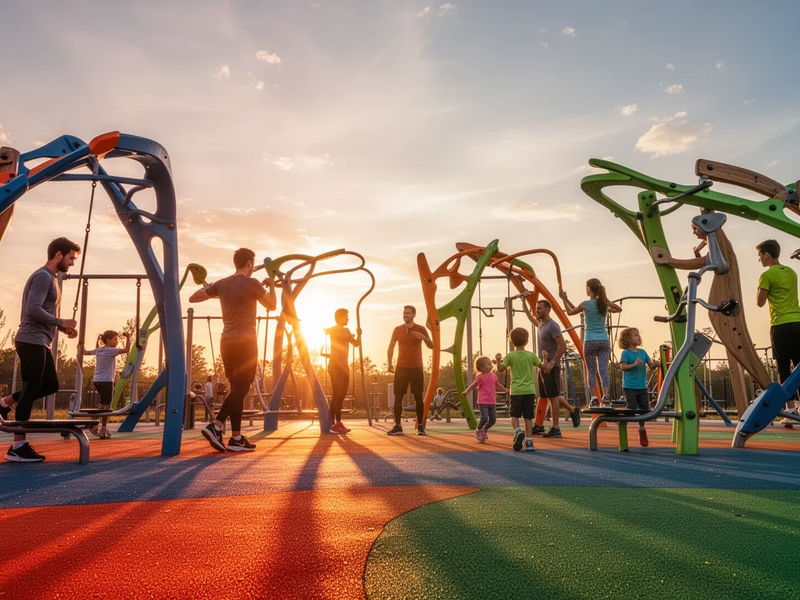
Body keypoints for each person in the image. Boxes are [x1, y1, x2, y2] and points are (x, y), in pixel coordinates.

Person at [0, 237, 80, 462]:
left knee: (50, 384)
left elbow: (44, 314)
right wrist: (61, 322)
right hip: (31, 340)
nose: (72, 263)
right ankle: (18, 446)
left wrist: (63, 329)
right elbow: (32, 309)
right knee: (30, 388)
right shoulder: (42, 277)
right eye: (71, 258)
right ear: (58, 255)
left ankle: (4, 403)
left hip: (40, 341)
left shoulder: (51, 279)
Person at [189, 248, 276, 452]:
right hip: (245, 342)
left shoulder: (222, 283)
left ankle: (236, 438)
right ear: (249, 264)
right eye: (252, 265)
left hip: (226, 342)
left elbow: (194, 297)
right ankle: (216, 426)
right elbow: (272, 305)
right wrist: (271, 285)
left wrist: (213, 288)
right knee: (242, 388)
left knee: (235, 389)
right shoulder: (252, 283)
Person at [756, 239, 800, 425]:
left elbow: (759, 302)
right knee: (798, 367)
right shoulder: (791, 272)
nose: (759, 260)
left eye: (759, 256)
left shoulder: (767, 275)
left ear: (767, 255)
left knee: (783, 367)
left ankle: (789, 410)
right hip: (797, 322)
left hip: (780, 324)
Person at [560, 278, 621, 407]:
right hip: (603, 340)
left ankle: (594, 399)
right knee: (603, 370)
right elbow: (618, 309)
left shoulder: (586, 304)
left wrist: (564, 299)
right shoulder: (603, 304)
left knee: (591, 371)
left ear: (589, 289)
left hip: (590, 340)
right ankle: (606, 397)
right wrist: (608, 303)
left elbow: (571, 311)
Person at [529, 300, 580, 438]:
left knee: (553, 397)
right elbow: (530, 317)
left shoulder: (553, 326)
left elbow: (562, 346)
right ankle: (571, 410)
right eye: (535, 308)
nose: (536, 310)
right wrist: (523, 304)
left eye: (539, 308)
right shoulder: (541, 324)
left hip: (551, 366)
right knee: (547, 395)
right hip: (543, 365)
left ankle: (556, 428)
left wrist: (552, 363)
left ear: (547, 309)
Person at [386, 305, 433, 436]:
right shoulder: (398, 330)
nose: (405, 315)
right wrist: (389, 363)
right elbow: (391, 347)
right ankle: (397, 426)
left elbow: (432, 346)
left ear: (413, 315)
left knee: (418, 397)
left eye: (408, 313)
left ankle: (420, 426)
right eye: (404, 313)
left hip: (416, 368)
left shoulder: (421, 329)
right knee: (398, 397)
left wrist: (424, 338)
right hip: (401, 368)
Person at [495, 327, 542, 452]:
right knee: (528, 417)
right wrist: (546, 358)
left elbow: (500, 369)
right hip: (529, 390)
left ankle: (517, 431)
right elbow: (544, 367)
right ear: (526, 341)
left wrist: (498, 360)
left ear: (511, 341)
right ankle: (529, 441)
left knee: (514, 415)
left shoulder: (511, 356)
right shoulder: (531, 355)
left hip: (516, 390)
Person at [83, 329, 131, 439]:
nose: (117, 342)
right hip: (106, 381)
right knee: (104, 405)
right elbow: (127, 349)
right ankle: (93, 422)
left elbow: (85, 352)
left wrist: (81, 344)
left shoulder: (99, 350)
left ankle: (103, 428)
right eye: (115, 339)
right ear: (108, 340)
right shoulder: (111, 350)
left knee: (106, 405)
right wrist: (128, 337)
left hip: (97, 380)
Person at [618, 327, 660, 447]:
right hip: (630, 386)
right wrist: (634, 364)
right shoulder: (625, 353)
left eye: (638, 335)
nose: (638, 337)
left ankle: (642, 429)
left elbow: (650, 365)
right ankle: (623, 423)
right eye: (635, 335)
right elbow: (623, 367)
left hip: (642, 386)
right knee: (631, 408)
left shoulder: (643, 352)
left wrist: (656, 364)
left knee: (644, 409)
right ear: (628, 339)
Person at [325, 308, 361, 434]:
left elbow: (356, 344)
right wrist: (349, 335)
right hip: (336, 366)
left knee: (342, 395)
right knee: (337, 394)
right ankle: (333, 423)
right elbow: (336, 334)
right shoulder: (335, 330)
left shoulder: (346, 331)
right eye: (346, 316)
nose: (348, 319)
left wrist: (359, 334)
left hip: (344, 367)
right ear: (339, 318)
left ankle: (337, 423)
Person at [463, 356, 508, 443]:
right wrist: (466, 391)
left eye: (490, 364)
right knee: (484, 418)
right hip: (483, 401)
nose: (491, 365)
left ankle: (484, 429)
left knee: (493, 420)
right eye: (488, 364)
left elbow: (497, 385)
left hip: (492, 401)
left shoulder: (494, 376)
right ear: (482, 367)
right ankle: (478, 430)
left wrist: (505, 390)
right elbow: (473, 385)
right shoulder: (480, 377)